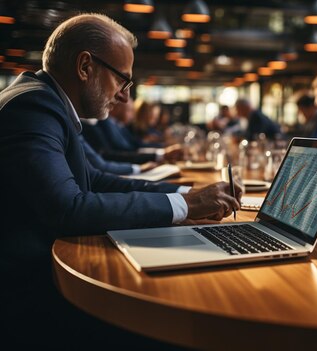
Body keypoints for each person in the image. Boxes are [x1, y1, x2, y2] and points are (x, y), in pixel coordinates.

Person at [0, 14, 240, 347]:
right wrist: (183, 205)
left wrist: (187, 193)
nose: (125, 96)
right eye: (122, 81)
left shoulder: (46, 99)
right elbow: (67, 209)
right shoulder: (34, 106)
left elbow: (94, 179)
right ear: (85, 66)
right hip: (28, 297)